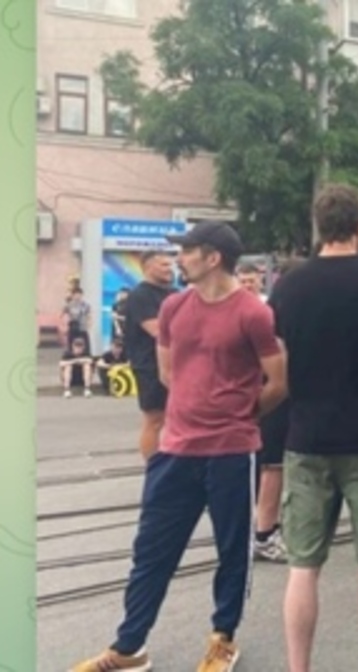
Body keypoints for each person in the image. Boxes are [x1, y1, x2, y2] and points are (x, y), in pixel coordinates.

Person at [70, 221, 287, 672]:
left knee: (232, 552)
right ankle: (129, 647)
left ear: (212, 258)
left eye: (186, 252)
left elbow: (279, 382)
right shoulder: (173, 308)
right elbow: (170, 374)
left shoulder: (253, 313)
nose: (177, 259)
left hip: (231, 450)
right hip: (175, 448)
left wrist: (240, 416)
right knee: (151, 551)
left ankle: (223, 640)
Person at [270, 184, 358, 672]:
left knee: (303, 567)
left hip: (307, 438)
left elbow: (281, 366)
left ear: (319, 227)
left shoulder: (288, 285)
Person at [250, 259, 301, 563]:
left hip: (271, 394)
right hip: (274, 396)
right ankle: (264, 534)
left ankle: (269, 528)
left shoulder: (271, 313)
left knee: (274, 467)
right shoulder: (273, 317)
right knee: (273, 467)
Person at [124, 251, 178, 461]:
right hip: (149, 364)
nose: (169, 269)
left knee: (175, 417)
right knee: (154, 418)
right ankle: (153, 465)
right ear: (148, 267)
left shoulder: (174, 293)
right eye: (164, 264)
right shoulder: (140, 295)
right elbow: (157, 330)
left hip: (175, 363)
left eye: (170, 264)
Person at [63, 287, 93, 353]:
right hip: (72, 327)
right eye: (76, 294)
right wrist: (65, 326)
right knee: (71, 345)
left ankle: (86, 357)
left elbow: (89, 315)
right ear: (73, 295)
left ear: (82, 295)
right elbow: (65, 315)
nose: (77, 296)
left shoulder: (86, 305)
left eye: (79, 294)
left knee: (85, 346)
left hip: (83, 327)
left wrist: (89, 324)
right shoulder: (68, 305)